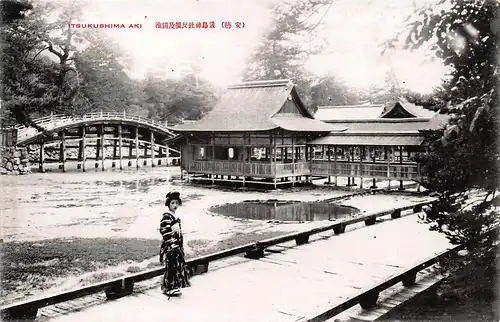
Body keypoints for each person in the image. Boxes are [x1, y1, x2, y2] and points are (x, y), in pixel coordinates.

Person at [159, 191, 190, 297]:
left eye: (176, 203)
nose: (175, 205)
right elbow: (164, 231)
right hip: (171, 246)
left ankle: (174, 286)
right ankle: (168, 288)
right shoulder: (167, 216)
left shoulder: (175, 216)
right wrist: (171, 243)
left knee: (177, 266)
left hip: (177, 246)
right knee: (171, 266)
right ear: (168, 204)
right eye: (172, 203)